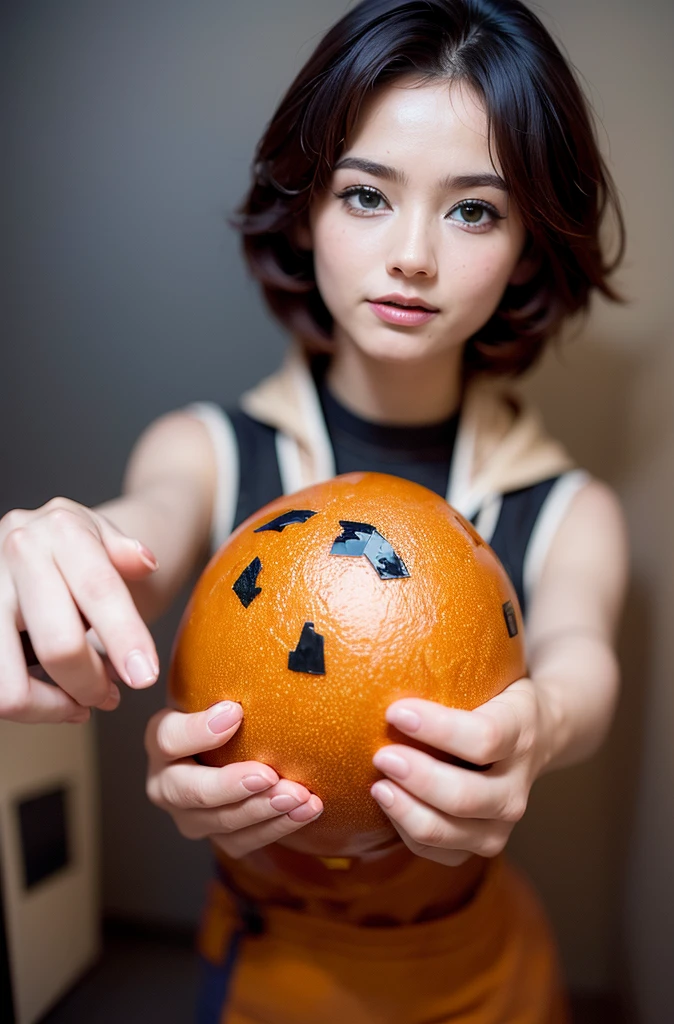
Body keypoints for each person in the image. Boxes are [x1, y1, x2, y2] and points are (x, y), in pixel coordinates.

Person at [0, 1, 628, 1021]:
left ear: (525, 244)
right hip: (264, 962)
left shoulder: (563, 506)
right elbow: (137, 534)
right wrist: (55, 551)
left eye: (473, 208)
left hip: (479, 969)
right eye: (365, 194)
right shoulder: (203, 452)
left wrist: (541, 722)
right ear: (303, 207)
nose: (412, 254)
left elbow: (576, 664)